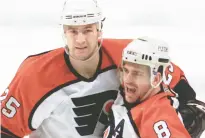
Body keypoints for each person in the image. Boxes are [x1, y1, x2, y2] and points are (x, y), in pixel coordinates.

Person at [1, 0, 204, 137]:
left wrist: (187, 115)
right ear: (63, 32)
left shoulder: (128, 56)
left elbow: (178, 86)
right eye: (73, 31)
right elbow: (4, 129)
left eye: (88, 30)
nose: (80, 40)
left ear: (99, 30)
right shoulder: (35, 74)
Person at [103, 37, 191, 138]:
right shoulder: (131, 94)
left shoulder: (156, 115)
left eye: (137, 74)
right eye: (126, 70)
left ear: (156, 79)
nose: (127, 80)